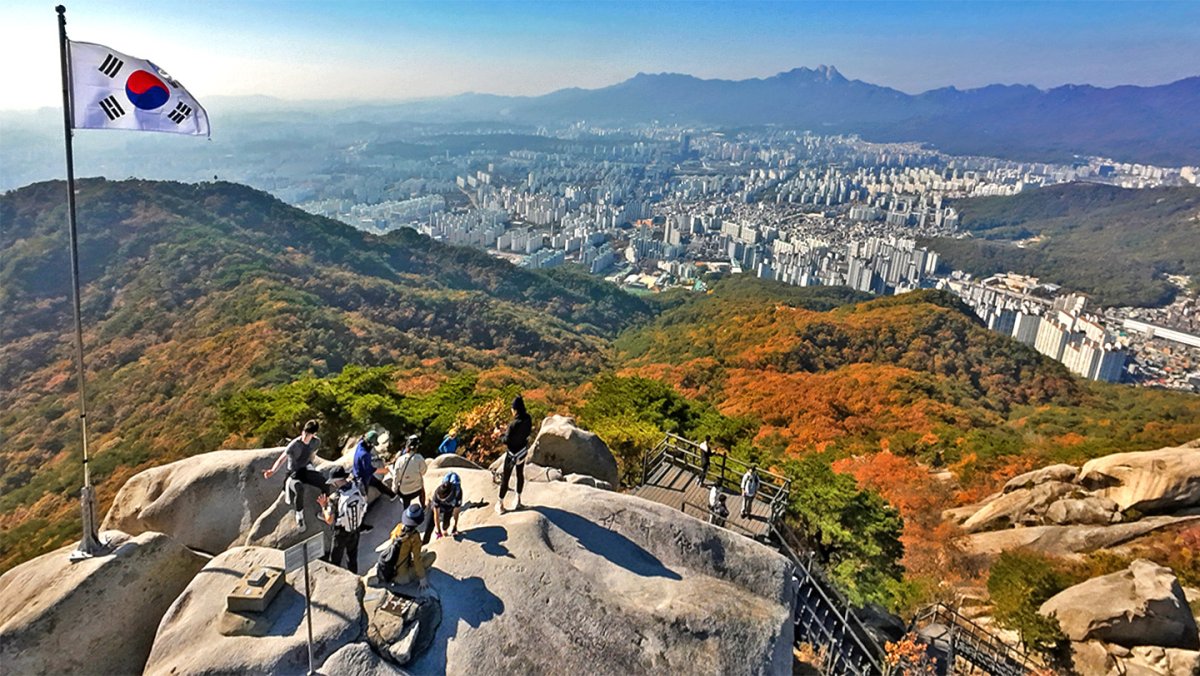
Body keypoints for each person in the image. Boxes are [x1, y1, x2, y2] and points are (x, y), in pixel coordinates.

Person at [263, 419, 328, 529]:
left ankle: (325, 511)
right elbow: (282, 459)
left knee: (324, 483)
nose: (304, 435)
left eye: (308, 434)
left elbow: (312, 455)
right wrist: (272, 471)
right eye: (304, 432)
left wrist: (311, 467)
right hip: (294, 473)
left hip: (306, 470)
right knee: (299, 488)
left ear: (314, 434)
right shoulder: (294, 444)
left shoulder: (316, 442)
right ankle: (299, 515)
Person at [318, 467, 367, 573]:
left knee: (335, 560)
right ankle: (354, 578)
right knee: (352, 557)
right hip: (356, 528)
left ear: (336, 481)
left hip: (341, 533)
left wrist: (323, 506)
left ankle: (336, 582)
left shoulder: (335, 497)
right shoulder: (357, 486)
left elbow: (329, 520)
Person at [376, 503, 436, 590]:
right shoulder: (414, 537)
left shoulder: (399, 527)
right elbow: (417, 559)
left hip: (391, 569)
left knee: (424, 550)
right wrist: (422, 577)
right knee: (431, 555)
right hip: (402, 578)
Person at [496, 395, 532, 514]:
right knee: (520, 474)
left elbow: (507, 440)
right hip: (522, 452)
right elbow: (525, 433)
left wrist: (500, 435)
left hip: (512, 454)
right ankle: (518, 500)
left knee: (505, 478)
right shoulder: (528, 419)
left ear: (515, 409)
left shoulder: (513, 424)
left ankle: (500, 504)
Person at [353, 430, 396, 501]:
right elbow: (369, 470)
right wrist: (385, 471)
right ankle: (364, 506)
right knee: (364, 494)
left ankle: (392, 495)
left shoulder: (361, 443)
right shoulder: (364, 454)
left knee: (378, 484)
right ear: (369, 444)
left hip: (358, 470)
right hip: (362, 477)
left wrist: (376, 457)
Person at [389, 434, 428, 510]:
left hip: (404, 491)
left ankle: (406, 511)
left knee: (406, 501)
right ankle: (423, 506)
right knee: (422, 490)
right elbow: (423, 472)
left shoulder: (400, 460)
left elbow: (396, 477)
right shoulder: (419, 458)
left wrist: (394, 489)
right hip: (417, 489)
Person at [431, 472, 463, 539]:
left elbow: (456, 512)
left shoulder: (457, 494)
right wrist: (439, 532)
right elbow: (436, 514)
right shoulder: (437, 493)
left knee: (446, 524)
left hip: (449, 506)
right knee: (430, 523)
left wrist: (455, 526)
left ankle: (444, 531)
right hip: (441, 504)